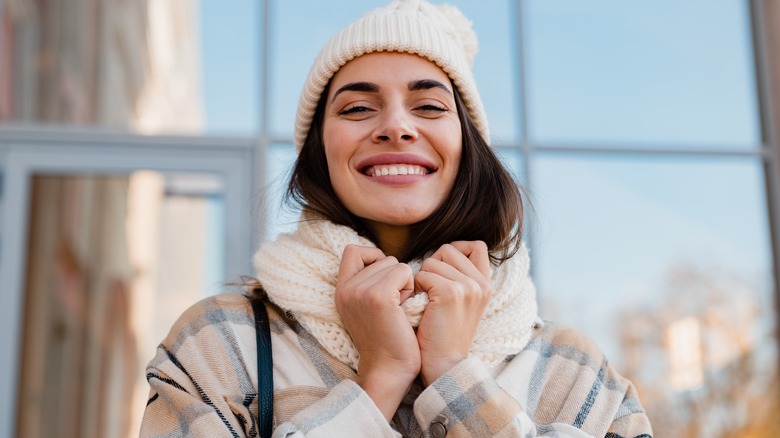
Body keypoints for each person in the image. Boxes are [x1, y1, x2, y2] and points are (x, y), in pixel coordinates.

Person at [140, 0, 653, 436]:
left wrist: (454, 376)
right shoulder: (220, 342)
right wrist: (381, 378)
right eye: (358, 109)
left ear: (468, 147)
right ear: (319, 151)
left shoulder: (573, 371)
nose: (395, 126)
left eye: (428, 106)